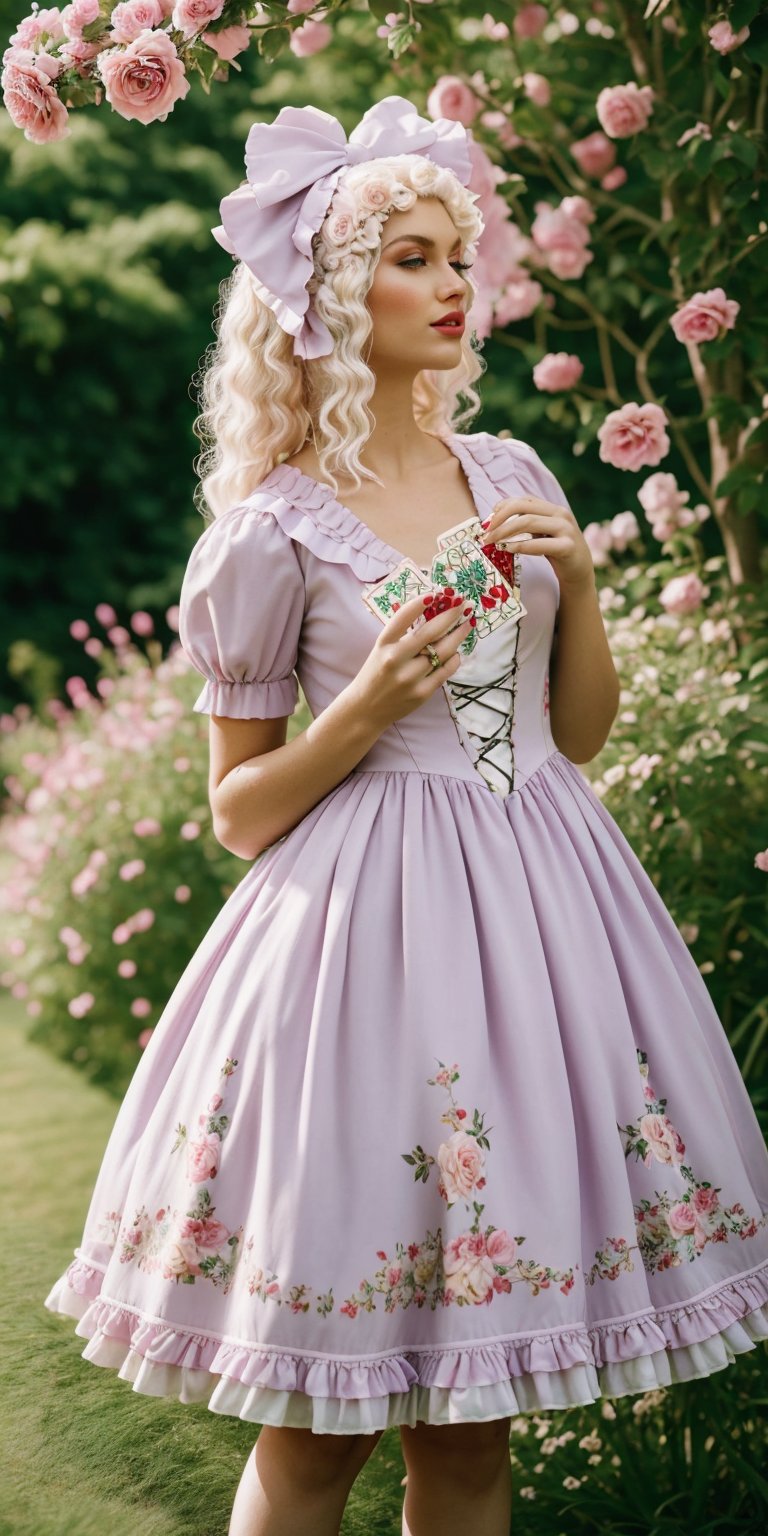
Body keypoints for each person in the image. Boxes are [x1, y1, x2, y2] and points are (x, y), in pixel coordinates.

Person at [44, 96, 768, 1536]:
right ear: (328, 294)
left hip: (548, 939)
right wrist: (366, 707)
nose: (455, 287)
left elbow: (574, 736)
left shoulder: (512, 477)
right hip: (361, 966)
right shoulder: (273, 532)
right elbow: (241, 813)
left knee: (473, 1435)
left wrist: (591, 593)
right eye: (416, 260)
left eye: (460, 257)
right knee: (318, 1436)